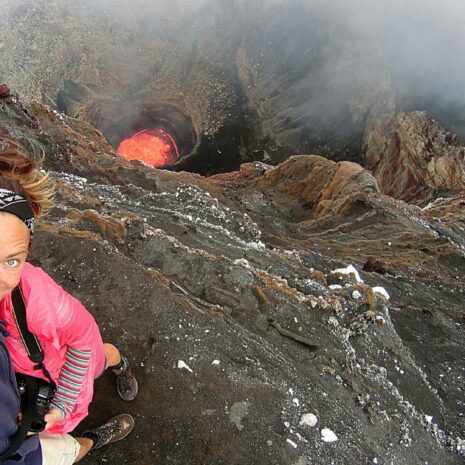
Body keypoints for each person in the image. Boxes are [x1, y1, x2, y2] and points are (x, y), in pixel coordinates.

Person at [0, 139, 138, 436]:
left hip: (63, 367)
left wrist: (62, 403)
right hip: (30, 375)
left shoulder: (33, 296)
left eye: (11, 261)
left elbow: (82, 338)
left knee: (100, 356)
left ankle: (121, 364)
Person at [1, 318, 135, 464]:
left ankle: (120, 365)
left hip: (30, 362)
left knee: (97, 358)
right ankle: (93, 439)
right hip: (15, 454)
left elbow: (81, 335)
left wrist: (63, 403)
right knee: (69, 451)